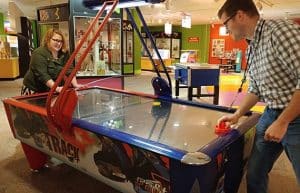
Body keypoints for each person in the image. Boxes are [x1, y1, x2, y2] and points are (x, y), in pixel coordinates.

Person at [217, 0, 300, 192]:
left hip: (295, 117)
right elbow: (255, 89)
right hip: (272, 113)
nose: (226, 30)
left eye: (225, 24)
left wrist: (283, 122)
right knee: (255, 172)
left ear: (239, 15)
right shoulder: (252, 46)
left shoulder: (280, 32)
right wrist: (237, 114)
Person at [22, 28, 82, 95]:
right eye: (56, 40)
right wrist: (57, 88)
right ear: (48, 39)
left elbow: (69, 69)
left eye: (61, 41)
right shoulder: (39, 53)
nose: (59, 43)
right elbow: (43, 75)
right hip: (35, 89)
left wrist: (75, 84)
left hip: (52, 87)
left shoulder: (64, 53)